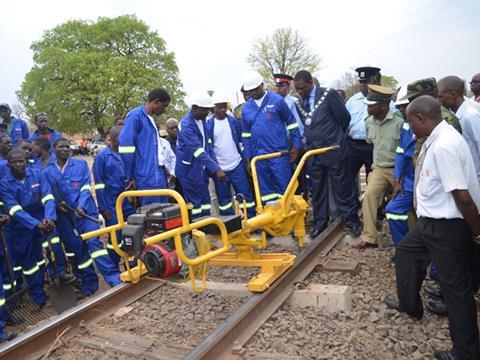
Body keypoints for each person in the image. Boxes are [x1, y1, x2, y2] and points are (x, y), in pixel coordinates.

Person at [385, 96, 480, 360]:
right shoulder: (439, 137)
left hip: (446, 226)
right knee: (405, 254)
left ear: (420, 119)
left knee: (456, 291)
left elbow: (462, 196)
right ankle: (410, 306)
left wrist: (477, 232)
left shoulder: (444, 146)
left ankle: (466, 352)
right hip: (430, 221)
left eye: (411, 123)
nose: (410, 129)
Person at [44, 138, 121, 294]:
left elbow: (86, 188)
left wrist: (80, 206)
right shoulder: (48, 172)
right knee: (79, 250)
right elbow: (49, 196)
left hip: (86, 213)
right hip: (66, 218)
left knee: (94, 243)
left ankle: (114, 279)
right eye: (61, 147)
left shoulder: (80, 165)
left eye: (67, 146)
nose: (65, 149)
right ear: (54, 149)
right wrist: (57, 206)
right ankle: (90, 286)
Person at [293, 70, 361, 237]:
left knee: (342, 188)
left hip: (333, 150)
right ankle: (320, 223)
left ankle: (352, 221)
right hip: (313, 153)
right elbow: (307, 124)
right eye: (297, 89)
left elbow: (344, 118)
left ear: (310, 83)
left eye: (302, 88)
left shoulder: (328, 95)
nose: (299, 91)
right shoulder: (299, 103)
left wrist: (335, 137)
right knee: (318, 190)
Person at [0, 149, 57, 308]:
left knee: (43, 258)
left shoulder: (38, 174)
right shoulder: (4, 184)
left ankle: (43, 291)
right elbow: (14, 210)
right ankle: (32, 298)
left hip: (42, 221)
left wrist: (50, 217)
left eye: (21, 161)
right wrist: (35, 224)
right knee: (26, 264)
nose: (18, 164)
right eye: (14, 162)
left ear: (26, 161)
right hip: (19, 228)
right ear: (8, 164)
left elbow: (48, 197)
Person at [241, 71, 303, 204]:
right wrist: (248, 158)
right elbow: (246, 136)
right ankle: (272, 223)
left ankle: (289, 222)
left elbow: (292, 124)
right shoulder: (246, 108)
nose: (253, 93)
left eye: (256, 89)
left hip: (278, 154)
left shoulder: (277, 101)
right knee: (266, 194)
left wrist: (296, 146)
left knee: (285, 189)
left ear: (262, 85)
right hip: (259, 158)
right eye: (250, 91)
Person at [353, 85, 403, 249]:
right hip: (380, 169)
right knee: (369, 196)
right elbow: (370, 141)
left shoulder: (399, 122)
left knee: (405, 202)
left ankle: (409, 239)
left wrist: (401, 176)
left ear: (383, 104)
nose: (367, 107)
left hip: (399, 169)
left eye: (371, 104)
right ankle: (370, 237)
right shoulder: (369, 122)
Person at [206, 92, 255, 218]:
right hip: (220, 169)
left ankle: (251, 220)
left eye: (224, 106)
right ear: (213, 108)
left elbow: (241, 140)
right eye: (219, 107)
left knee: (245, 195)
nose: (223, 110)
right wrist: (216, 168)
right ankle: (229, 225)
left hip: (237, 165)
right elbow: (209, 149)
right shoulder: (209, 126)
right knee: (224, 201)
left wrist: (245, 160)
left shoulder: (233, 122)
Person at [176, 92, 224, 219]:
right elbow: (197, 151)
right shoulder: (186, 125)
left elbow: (208, 146)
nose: (207, 113)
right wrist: (216, 169)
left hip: (201, 170)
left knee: (205, 201)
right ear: (195, 108)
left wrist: (215, 166)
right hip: (189, 171)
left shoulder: (203, 122)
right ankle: (197, 232)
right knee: (195, 204)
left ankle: (207, 228)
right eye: (205, 110)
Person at [119, 88, 170, 205]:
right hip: (147, 176)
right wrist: (129, 175)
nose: (164, 110)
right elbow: (126, 147)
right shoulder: (135, 116)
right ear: (156, 102)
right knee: (153, 216)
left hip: (159, 175)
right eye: (164, 106)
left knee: (164, 214)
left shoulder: (150, 119)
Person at [93, 126, 136, 265]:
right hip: (111, 203)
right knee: (116, 235)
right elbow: (99, 184)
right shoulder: (102, 157)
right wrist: (103, 208)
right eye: (119, 138)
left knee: (132, 230)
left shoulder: (127, 154)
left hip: (128, 201)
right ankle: (113, 262)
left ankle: (132, 261)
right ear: (111, 139)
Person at [345, 67, 381, 197]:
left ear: (375, 81)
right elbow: (345, 123)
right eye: (361, 82)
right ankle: (352, 209)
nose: (362, 85)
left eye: (366, 82)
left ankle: (377, 211)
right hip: (353, 145)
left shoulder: (385, 102)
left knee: (373, 181)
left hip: (373, 146)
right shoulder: (352, 101)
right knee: (348, 178)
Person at [384, 85, 414, 247]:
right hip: (409, 180)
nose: (402, 109)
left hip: (427, 181)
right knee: (393, 210)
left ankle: (436, 266)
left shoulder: (435, 123)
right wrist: (397, 177)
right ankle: (403, 248)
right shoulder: (406, 125)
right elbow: (401, 153)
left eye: (405, 105)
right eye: (399, 106)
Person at [438, 76, 480, 181]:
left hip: (475, 176)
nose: (438, 101)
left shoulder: (470, 116)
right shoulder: (453, 115)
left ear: (453, 95)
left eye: (440, 97)